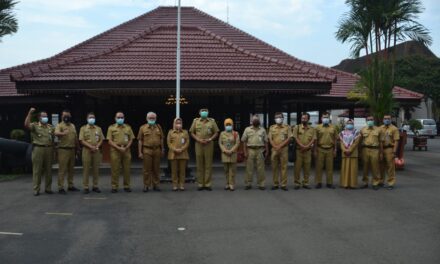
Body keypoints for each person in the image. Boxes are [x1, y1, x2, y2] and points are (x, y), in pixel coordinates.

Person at [24, 108, 54, 196]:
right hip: (38, 149)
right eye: (43, 116)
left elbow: (54, 136)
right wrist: (29, 113)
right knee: (37, 170)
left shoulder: (50, 127)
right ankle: (36, 189)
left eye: (46, 116)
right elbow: (26, 125)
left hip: (49, 149)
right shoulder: (35, 125)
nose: (45, 117)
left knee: (49, 170)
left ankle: (48, 188)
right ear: (39, 118)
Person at [189, 108, 219, 191]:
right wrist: (198, 139)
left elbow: (216, 132)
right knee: (199, 164)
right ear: (199, 113)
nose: (204, 112)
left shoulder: (212, 121)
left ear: (208, 113)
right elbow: (191, 132)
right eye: (202, 111)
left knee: (208, 164)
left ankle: (207, 184)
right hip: (198, 144)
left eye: (205, 111)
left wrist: (210, 139)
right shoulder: (196, 121)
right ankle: (200, 184)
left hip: (209, 144)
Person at [107, 111, 135, 193]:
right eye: (118, 117)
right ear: (115, 118)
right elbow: (109, 140)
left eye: (122, 117)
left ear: (124, 118)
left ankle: (127, 186)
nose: (120, 119)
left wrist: (126, 147)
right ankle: (114, 186)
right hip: (115, 150)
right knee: (115, 169)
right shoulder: (111, 128)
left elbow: (131, 139)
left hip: (126, 150)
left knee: (127, 169)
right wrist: (118, 148)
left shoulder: (128, 127)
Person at [138, 112, 164, 192]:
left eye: (153, 118)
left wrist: (162, 149)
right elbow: (140, 140)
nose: (152, 119)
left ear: (156, 119)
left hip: (157, 150)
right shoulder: (143, 128)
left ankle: (156, 185)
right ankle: (146, 185)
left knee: (156, 168)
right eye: (150, 118)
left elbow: (161, 139)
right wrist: (140, 152)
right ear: (147, 118)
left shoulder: (159, 127)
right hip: (147, 150)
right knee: (147, 169)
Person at [54, 109, 79, 194]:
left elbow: (75, 138)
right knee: (62, 170)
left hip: (72, 150)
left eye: (67, 116)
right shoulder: (59, 125)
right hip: (63, 150)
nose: (66, 117)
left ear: (70, 116)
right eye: (64, 116)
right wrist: (63, 133)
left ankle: (70, 185)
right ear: (62, 116)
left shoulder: (73, 126)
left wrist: (78, 148)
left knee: (71, 169)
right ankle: (60, 187)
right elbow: (56, 133)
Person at [79, 112, 104, 194]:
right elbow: (81, 140)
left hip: (96, 150)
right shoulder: (83, 128)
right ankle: (86, 187)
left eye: (93, 117)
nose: (92, 119)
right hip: (87, 151)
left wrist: (96, 147)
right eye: (90, 117)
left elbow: (101, 139)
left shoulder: (98, 128)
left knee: (96, 169)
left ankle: (95, 186)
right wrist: (91, 147)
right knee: (86, 169)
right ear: (87, 119)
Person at [241, 115, 268, 190]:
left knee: (261, 168)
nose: (255, 120)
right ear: (251, 121)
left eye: (257, 119)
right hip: (250, 150)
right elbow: (244, 141)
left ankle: (261, 184)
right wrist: (245, 151)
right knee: (249, 168)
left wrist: (267, 151)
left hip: (260, 150)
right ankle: (248, 184)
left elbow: (266, 141)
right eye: (254, 119)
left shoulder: (263, 130)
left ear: (259, 121)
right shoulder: (247, 129)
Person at [268, 112, 291, 191]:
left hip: (284, 149)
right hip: (274, 149)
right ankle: (275, 184)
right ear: (275, 119)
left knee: (284, 167)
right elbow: (270, 138)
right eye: (277, 117)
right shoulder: (272, 127)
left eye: (280, 117)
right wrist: (274, 146)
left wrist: (280, 146)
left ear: (282, 118)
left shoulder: (287, 127)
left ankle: (283, 184)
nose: (278, 119)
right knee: (274, 167)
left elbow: (289, 138)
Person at [292, 113, 316, 190]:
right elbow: (295, 138)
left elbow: (313, 139)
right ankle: (297, 183)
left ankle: (306, 183)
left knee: (307, 168)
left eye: (305, 118)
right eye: (302, 118)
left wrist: (307, 146)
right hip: (299, 151)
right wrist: (302, 146)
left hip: (308, 151)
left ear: (308, 119)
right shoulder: (297, 127)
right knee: (297, 168)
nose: (303, 120)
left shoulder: (312, 129)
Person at [314, 112, 337, 189]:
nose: (325, 119)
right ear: (321, 118)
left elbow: (335, 139)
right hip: (320, 149)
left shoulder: (333, 127)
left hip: (330, 149)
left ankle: (329, 183)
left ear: (329, 118)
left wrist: (335, 149)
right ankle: (318, 182)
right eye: (324, 117)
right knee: (319, 167)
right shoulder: (317, 128)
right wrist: (315, 150)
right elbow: (315, 140)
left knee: (329, 167)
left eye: (327, 117)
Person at [360, 115, 383, 190]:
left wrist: (381, 153)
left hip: (375, 150)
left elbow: (381, 142)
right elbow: (360, 141)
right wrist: (360, 152)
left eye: (371, 119)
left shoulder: (378, 129)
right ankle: (365, 182)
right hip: (365, 149)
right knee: (365, 167)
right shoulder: (362, 129)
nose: (370, 121)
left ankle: (375, 183)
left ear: (374, 120)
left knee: (375, 167)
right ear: (366, 121)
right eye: (368, 119)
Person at [167, 118, 190, 191]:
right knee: (174, 171)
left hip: (183, 154)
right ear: (174, 124)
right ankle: (175, 185)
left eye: (180, 123)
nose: (178, 125)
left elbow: (187, 142)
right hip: (173, 154)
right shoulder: (170, 132)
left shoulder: (185, 132)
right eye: (177, 123)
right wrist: (175, 149)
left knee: (182, 171)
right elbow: (168, 143)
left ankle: (181, 185)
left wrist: (182, 149)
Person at [218, 118, 240, 191]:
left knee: (232, 170)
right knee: (226, 170)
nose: (228, 126)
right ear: (224, 125)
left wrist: (231, 150)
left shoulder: (235, 133)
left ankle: (231, 184)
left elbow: (237, 143)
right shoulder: (222, 133)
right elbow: (220, 143)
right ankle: (227, 184)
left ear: (232, 125)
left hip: (232, 154)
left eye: (229, 124)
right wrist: (224, 150)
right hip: (225, 154)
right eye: (227, 124)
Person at [379, 114, 400, 190]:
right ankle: (381, 181)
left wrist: (394, 152)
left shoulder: (394, 129)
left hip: (389, 149)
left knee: (390, 167)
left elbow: (396, 141)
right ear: (383, 119)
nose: (386, 120)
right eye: (385, 118)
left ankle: (391, 183)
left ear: (391, 119)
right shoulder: (380, 128)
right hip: (381, 149)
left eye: (388, 118)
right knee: (381, 166)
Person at [339, 119, 361, 189]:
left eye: (351, 123)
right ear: (346, 124)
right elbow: (341, 143)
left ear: (353, 124)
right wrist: (345, 150)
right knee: (345, 169)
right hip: (345, 153)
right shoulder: (342, 133)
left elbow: (356, 143)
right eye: (348, 123)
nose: (349, 124)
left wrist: (350, 150)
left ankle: (353, 184)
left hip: (353, 153)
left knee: (353, 169)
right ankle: (345, 184)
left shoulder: (357, 133)